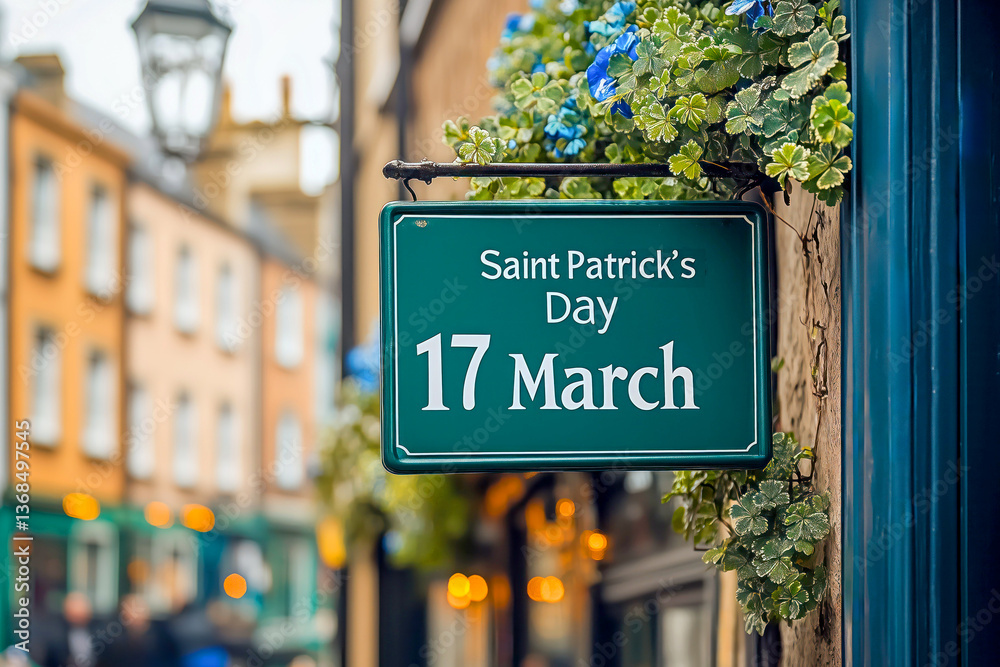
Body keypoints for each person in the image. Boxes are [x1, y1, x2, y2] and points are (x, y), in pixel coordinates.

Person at [97, 595, 177, 667]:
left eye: (139, 609)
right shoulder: (113, 640)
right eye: (130, 609)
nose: (136, 614)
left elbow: (171, 659)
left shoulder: (161, 636)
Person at [41, 592, 97, 667]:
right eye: (75, 613)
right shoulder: (56, 637)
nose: (79, 615)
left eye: (82, 612)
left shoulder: (97, 631)